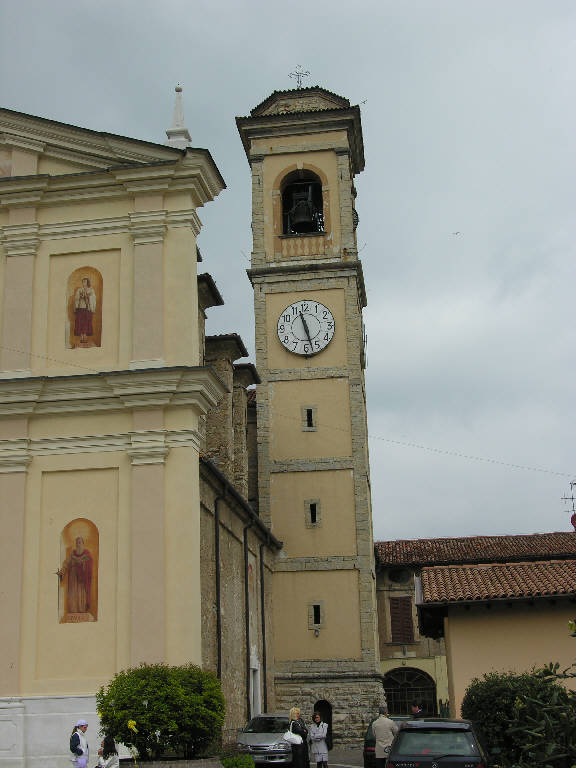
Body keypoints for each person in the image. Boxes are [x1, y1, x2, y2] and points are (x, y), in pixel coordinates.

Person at [58, 537, 93, 615]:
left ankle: (81, 610)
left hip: (82, 578)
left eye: (80, 542)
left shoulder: (86, 553)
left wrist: (83, 562)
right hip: (73, 577)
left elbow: (89, 562)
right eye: (77, 542)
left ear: (83, 544)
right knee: (73, 592)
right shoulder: (72, 553)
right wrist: (62, 571)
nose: (78, 544)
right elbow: (66, 563)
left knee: (81, 593)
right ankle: (73, 610)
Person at [74, 277, 96, 344]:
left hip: (88, 309)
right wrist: (81, 296)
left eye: (85, 282)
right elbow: (76, 298)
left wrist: (88, 296)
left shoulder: (91, 290)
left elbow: (93, 298)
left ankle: (85, 337)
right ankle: (81, 337)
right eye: (83, 282)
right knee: (80, 323)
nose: (83, 283)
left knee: (86, 323)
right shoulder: (79, 290)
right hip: (81, 308)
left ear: (87, 282)